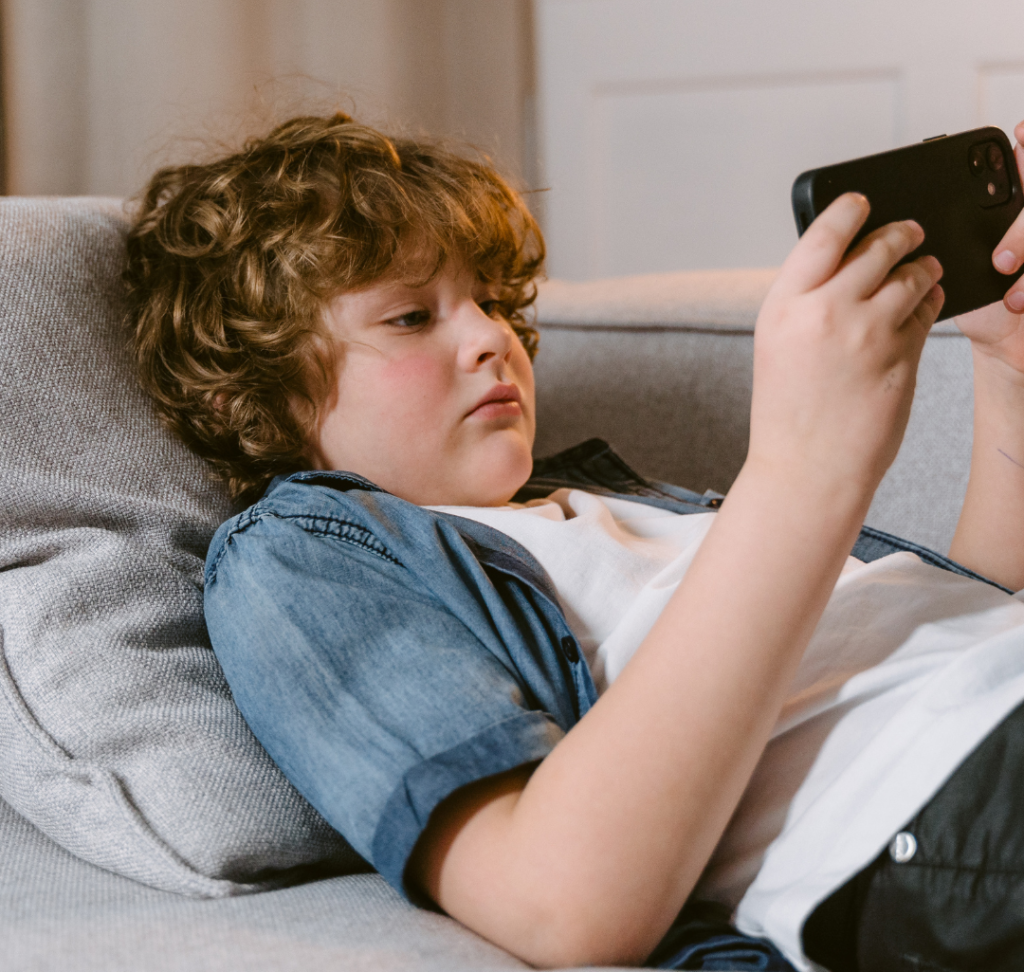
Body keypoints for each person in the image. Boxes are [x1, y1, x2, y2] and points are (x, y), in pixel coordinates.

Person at [125, 113, 1024, 971]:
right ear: (251, 394)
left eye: (488, 301)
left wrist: (1006, 365)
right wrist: (803, 467)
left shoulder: (610, 502)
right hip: (953, 797)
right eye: (411, 317)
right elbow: (564, 901)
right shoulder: (298, 559)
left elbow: (946, 635)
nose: (491, 338)